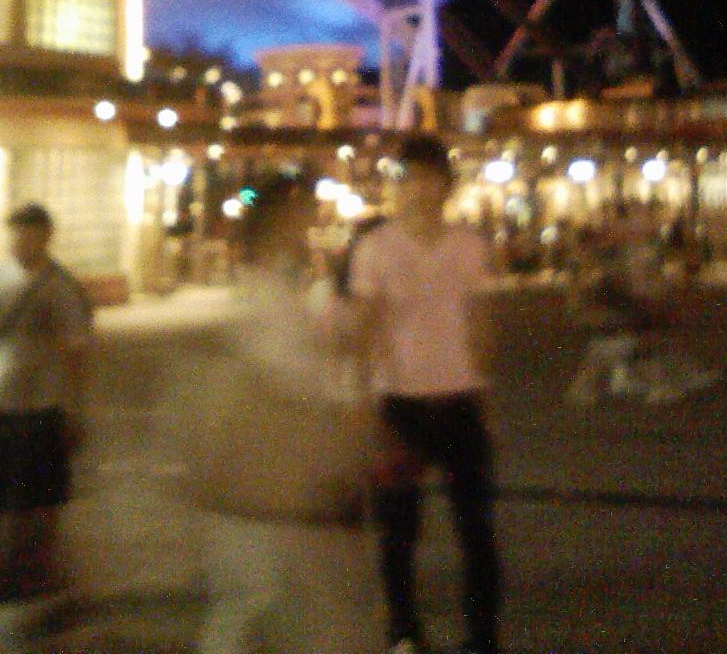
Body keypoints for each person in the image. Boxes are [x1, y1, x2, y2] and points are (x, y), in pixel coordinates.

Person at [175, 174, 379, 654]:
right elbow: (285, 380)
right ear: (274, 228)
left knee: (263, 598)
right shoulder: (262, 297)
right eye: (299, 221)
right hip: (261, 474)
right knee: (254, 597)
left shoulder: (280, 290)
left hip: (268, 479)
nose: (307, 232)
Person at [348, 135, 502, 654]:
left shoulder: (469, 245)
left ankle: (482, 634)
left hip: (459, 400)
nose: (416, 189)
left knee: (476, 528)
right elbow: (365, 329)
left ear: (445, 185)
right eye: (407, 179)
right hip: (401, 406)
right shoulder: (375, 248)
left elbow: (480, 323)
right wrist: (364, 402)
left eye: (426, 179)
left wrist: (484, 397)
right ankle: (404, 632)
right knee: (397, 530)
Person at [0, 202, 92, 605]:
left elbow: (76, 352)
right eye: (14, 234)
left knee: (34, 505)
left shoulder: (61, 286)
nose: (18, 242)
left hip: (39, 411)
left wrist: (73, 409)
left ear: (46, 236)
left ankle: (26, 581)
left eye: (27, 234)